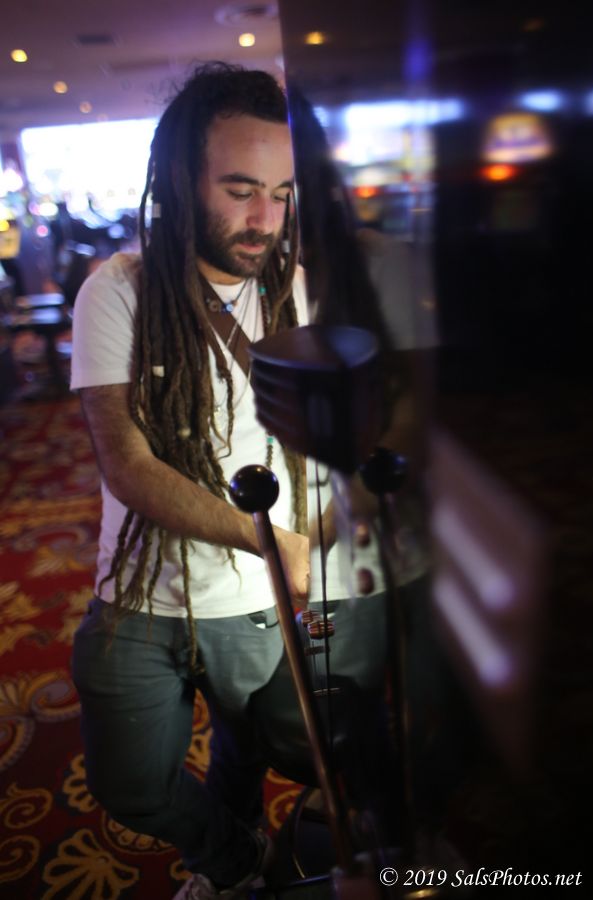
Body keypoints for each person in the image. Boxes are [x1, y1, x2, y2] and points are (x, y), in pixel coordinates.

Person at [70, 62, 311, 899]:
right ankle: (240, 858)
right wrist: (266, 538)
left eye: (280, 193)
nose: (264, 219)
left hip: (256, 599)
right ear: (181, 179)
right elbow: (127, 465)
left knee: (250, 752)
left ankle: (231, 863)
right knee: (130, 785)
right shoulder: (119, 290)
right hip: (139, 591)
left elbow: (315, 440)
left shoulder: (295, 290)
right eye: (240, 189)